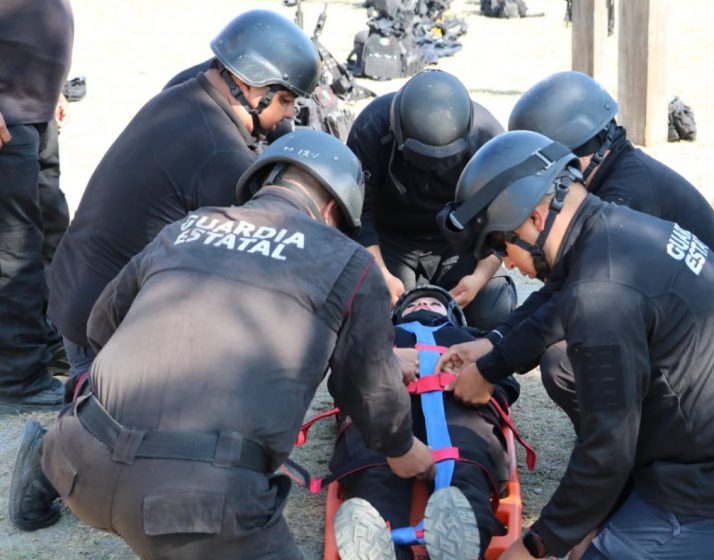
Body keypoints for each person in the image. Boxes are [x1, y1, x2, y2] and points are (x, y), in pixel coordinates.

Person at [8, 130, 435, 560]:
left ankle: (43, 462)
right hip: (193, 513)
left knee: (87, 430)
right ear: (331, 210)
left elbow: (101, 325)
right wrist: (401, 448)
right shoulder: (350, 263)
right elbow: (368, 391)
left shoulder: (186, 227)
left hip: (78, 461)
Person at [435, 130, 714, 559]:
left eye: (502, 245)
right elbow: (557, 304)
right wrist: (492, 362)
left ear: (536, 218)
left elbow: (606, 453)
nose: (511, 265)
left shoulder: (601, 292)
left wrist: (537, 545)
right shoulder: (624, 231)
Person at [46, 8, 321, 382]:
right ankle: (69, 430)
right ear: (254, 86)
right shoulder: (221, 155)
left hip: (75, 296)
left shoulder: (186, 92)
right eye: (286, 100)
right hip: (103, 332)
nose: (288, 115)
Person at [331, 285, 520, 560]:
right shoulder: (376, 336)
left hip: (457, 402)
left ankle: (463, 542)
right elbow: (340, 377)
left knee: (465, 467)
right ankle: (383, 545)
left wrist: (477, 378)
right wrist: (385, 360)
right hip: (386, 398)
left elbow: (505, 379)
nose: (423, 305)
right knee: (375, 469)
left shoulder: (474, 340)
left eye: (434, 303)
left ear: (453, 316)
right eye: (414, 304)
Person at [346, 69, 516, 331]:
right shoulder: (371, 127)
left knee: (494, 310)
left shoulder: (488, 139)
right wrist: (379, 271)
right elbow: (358, 214)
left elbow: (501, 222)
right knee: (375, 311)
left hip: (460, 239)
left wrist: (480, 277)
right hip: (391, 238)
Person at [0, 0, 74, 412]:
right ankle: (18, 377)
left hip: (35, 105)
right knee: (14, 247)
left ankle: (55, 342)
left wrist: (53, 83)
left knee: (52, 231)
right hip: (7, 118)